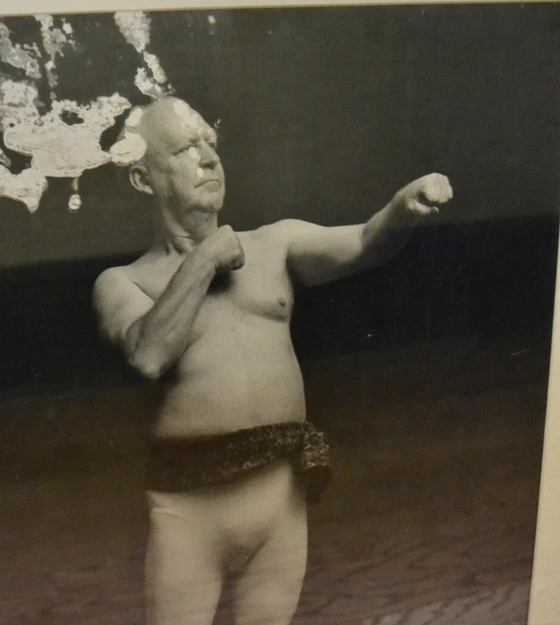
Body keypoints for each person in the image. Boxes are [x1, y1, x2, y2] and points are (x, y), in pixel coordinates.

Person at [92, 97, 452, 625]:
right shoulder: (121, 283)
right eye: (185, 149)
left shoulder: (274, 245)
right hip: (189, 514)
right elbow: (148, 356)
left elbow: (364, 244)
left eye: (210, 144)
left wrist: (402, 208)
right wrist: (205, 258)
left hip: (280, 504)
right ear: (143, 180)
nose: (209, 159)